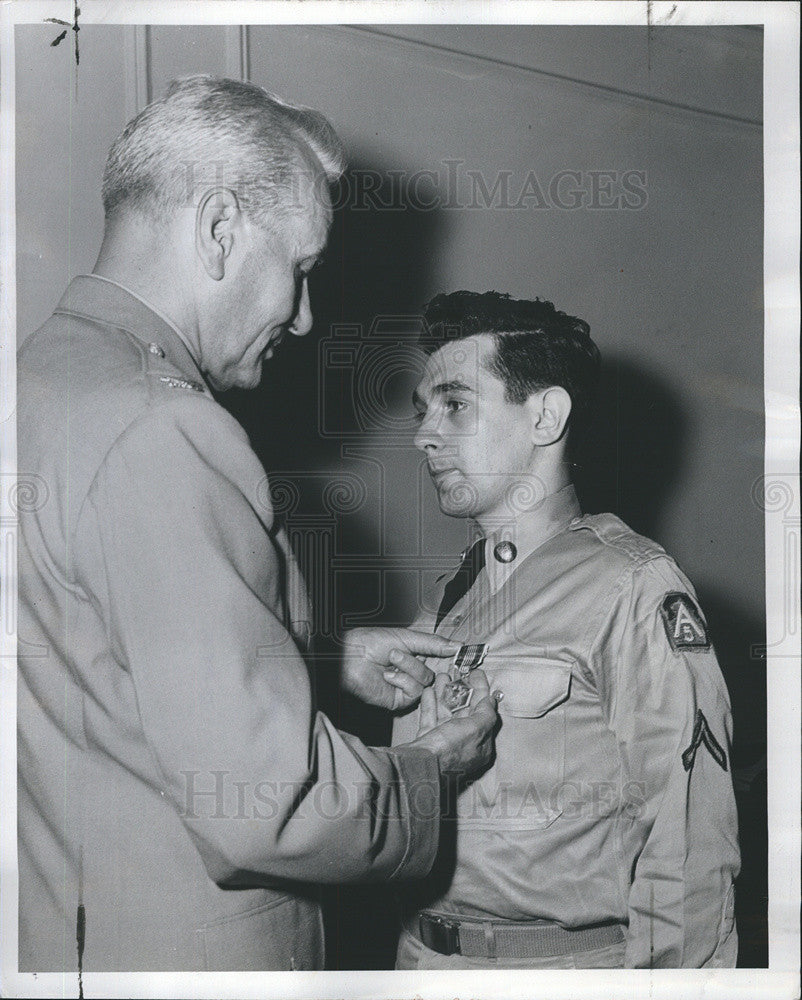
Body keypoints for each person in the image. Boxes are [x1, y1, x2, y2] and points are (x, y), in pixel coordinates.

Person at [16, 77, 498, 973]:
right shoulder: (168, 429)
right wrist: (435, 771)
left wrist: (310, 658)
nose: (306, 318)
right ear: (220, 228)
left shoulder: (37, 383)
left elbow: (90, 662)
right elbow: (271, 804)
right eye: (303, 270)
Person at [391, 290, 740, 969]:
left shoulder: (633, 587)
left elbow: (688, 848)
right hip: (421, 960)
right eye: (424, 409)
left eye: (456, 405)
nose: (424, 434)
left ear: (546, 415)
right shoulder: (447, 601)